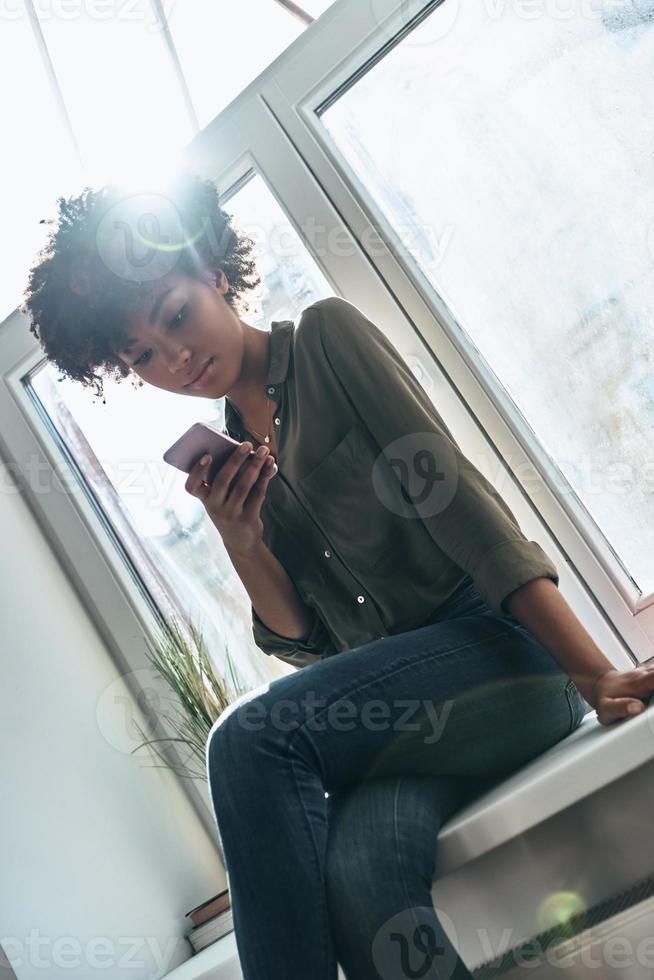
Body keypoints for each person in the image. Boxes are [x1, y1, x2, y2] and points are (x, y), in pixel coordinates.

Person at [22, 172, 654, 980]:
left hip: (504, 658)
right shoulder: (231, 463)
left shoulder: (326, 339)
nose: (174, 358)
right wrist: (243, 542)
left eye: (177, 317)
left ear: (213, 274)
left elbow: (471, 516)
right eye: (142, 355)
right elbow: (311, 647)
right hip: (409, 726)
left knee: (247, 741)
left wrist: (595, 672)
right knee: (360, 881)